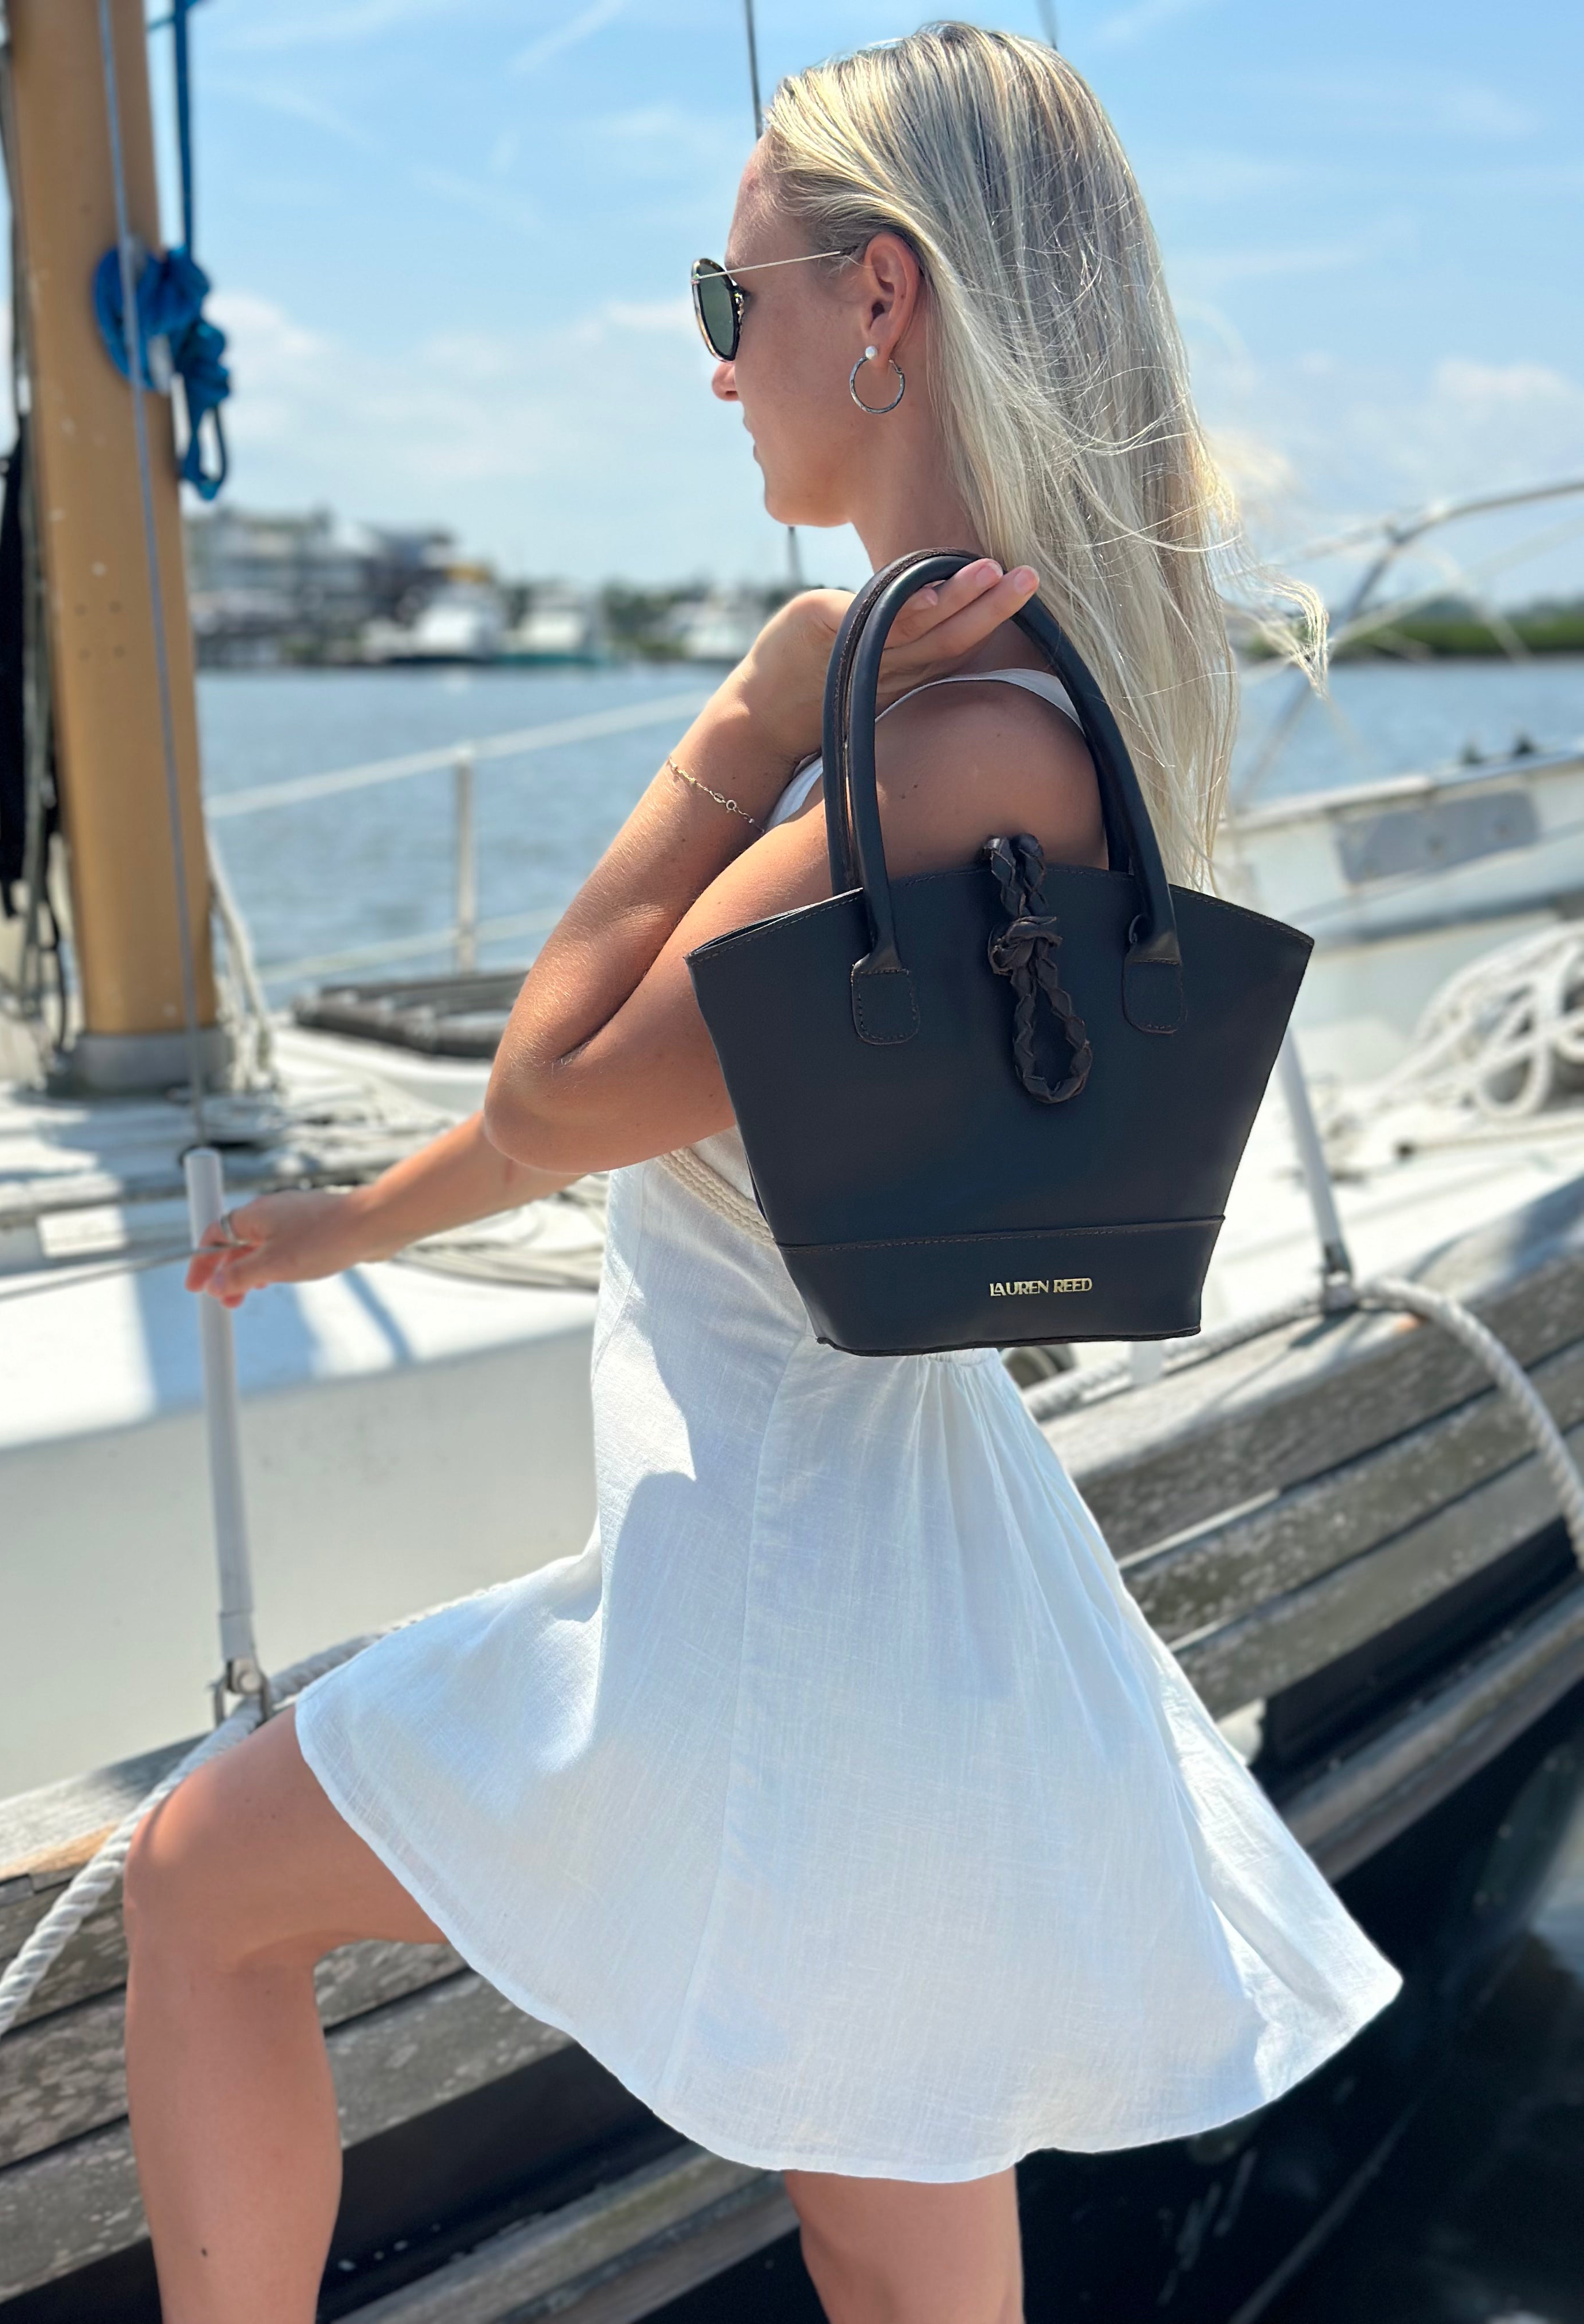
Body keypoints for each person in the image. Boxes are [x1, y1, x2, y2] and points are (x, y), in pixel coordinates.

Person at [126, 25, 1400, 2322]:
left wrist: (743, 720)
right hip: (909, 1600)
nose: (721, 376)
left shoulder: (925, 740)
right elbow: (687, 1116)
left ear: (879, 305)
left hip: (772, 1602)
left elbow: (553, 1085)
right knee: (896, 2256)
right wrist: (350, 1226)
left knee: (199, 1884)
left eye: (733, 310)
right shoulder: (1006, 706)